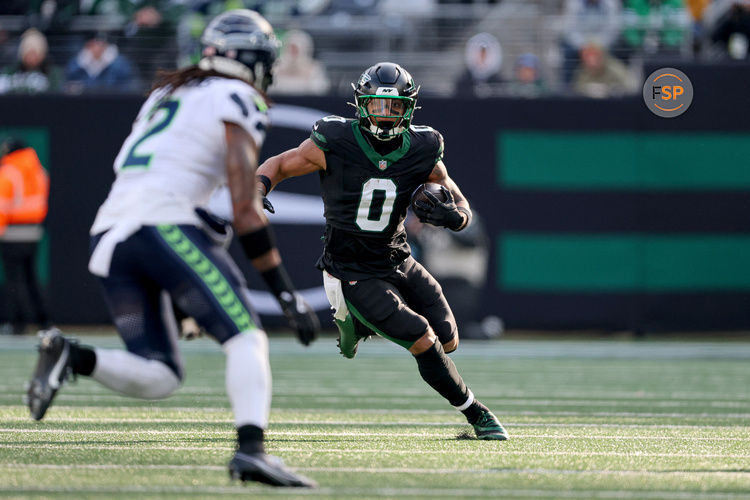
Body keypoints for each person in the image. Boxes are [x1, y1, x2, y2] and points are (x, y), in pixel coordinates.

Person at [26, 9, 319, 488]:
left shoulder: (168, 92)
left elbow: (176, 183)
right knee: (247, 337)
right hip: (161, 227)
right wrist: (285, 292)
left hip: (113, 236)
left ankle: (71, 357)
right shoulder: (237, 95)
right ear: (250, 60)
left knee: (159, 373)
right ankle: (252, 451)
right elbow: (246, 209)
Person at [256, 61, 508, 441]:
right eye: (377, 105)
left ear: (408, 108)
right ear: (361, 105)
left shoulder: (423, 147)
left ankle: (358, 323)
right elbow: (279, 164)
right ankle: (477, 413)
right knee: (422, 337)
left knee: (449, 340)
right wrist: (259, 188)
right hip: (350, 268)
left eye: (393, 107)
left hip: (398, 257)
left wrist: (454, 217)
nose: (385, 116)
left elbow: (461, 203)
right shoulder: (336, 140)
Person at [0, 139, 52, 335]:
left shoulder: (10, 172)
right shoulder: (39, 171)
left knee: (14, 280)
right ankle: (44, 320)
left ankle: (17, 323)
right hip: (33, 232)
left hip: (12, 232)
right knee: (31, 278)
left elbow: (2, 205)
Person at [64, 31, 137, 94]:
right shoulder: (76, 63)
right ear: (88, 45)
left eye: (100, 43)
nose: (97, 47)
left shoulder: (120, 63)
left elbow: (127, 86)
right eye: (93, 43)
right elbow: (68, 85)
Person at [0, 28, 62, 94]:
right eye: (28, 53)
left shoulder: (53, 73)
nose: (31, 58)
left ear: (42, 55)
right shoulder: (10, 71)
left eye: (35, 54)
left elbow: (54, 92)